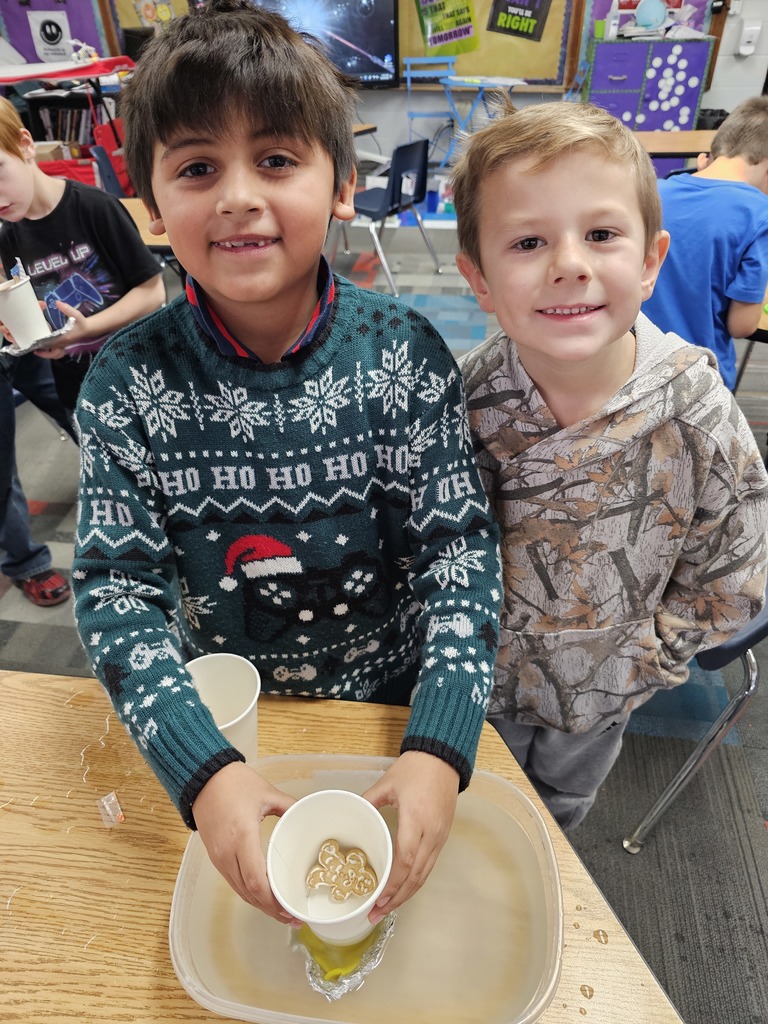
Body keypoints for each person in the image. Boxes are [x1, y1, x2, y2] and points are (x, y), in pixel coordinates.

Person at [71, 0, 501, 927]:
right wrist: (201, 768)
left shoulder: (406, 354)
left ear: (342, 183)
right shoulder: (124, 383)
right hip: (233, 728)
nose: (237, 195)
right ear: (152, 206)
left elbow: (459, 555)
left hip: (389, 718)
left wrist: (438, 743)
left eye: (274, 159)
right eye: (197, 167)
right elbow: (116, 590)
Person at [452, 100, 768, 829]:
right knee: (478, 805)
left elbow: (733, 569)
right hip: (478, 681)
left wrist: (646, 659)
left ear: (651, 261)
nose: (570, 265)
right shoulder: (463, 400)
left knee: (561, 810)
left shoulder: (699, 413)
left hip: (603, 689)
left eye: (600, 234)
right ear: (480, 279)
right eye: (528, 241)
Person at [0, 95, 166, 414]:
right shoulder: (8, 239)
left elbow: (152, 291)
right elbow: (44, 315)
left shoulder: (94, 207)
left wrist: (87, 328)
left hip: (143, 376)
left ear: (25, 145)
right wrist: (28, 331)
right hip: (80, 392)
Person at [642, 96, 768, 391]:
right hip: (699, 379)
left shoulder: (652, 190)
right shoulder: (760, 215)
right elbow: (742, 325)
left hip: (630, 365)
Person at [0, 353, 76, 605]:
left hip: (19, 338)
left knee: (81, 410)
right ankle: (25, 562)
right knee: (2, 471)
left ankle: (145, 500)